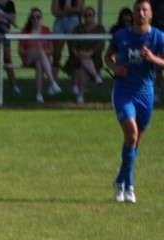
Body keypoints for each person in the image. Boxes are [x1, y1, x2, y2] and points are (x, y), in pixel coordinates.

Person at [105, 0, 164, 203]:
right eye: (137, 9)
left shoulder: (158, 37)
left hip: (146, 95)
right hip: (123, 92)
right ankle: (129, 185)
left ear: (150, 14)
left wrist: (154, 59)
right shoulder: (121, 36)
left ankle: (119, 180)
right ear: (133, 13)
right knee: (131, 134)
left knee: (136, 141)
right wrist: (115, 69)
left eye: (144, 10)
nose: (140, 13)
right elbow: (108, 56)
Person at [19, 7, 61, 102]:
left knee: (39, 63)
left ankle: (39, 95)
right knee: (39, 50)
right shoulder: (26, 31)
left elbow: (51, 49)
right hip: (28, 58)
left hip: (42, 59)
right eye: (33, 17)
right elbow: (20, 50)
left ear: (41, 18)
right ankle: (52, 82)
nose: (35, 20)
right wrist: (32, 50)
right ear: (30, 19)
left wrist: (42, 52)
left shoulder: (46, 30)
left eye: (38, 17)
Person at [64, 6, 105, 102]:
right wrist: (77, 53)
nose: (88, 17)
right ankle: (96, 77)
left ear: (94, 16)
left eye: (90, 15)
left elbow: (100, 44)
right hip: (78, 57)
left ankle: (80, 95)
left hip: (94, 58)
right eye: (85, 15)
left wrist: (90, 52)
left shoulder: (99, 29)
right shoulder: (78, 28)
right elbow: (72, 43)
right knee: (82, 63)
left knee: (83, 66)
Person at [50, 0, 84, 82]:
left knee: (74, 53)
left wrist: (64, 11)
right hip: (60, 21)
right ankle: (53, 84)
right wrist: (69, 10)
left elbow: (79, 9)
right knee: (56, 54)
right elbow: (54, 10)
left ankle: (75, 84)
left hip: (74, 21)